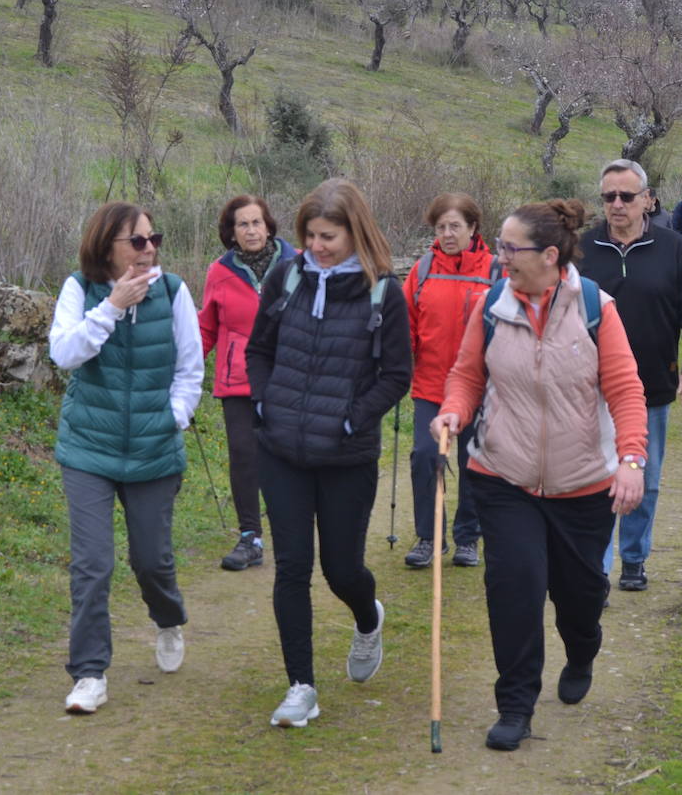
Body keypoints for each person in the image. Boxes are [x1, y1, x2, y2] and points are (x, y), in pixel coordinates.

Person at [430, 199, 648, 751]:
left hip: (583, 485)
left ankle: (582, 649)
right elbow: (466, 375)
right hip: (502, 476)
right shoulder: (490, 307)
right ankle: (516, 705)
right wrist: (453, 409)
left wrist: (630, 460)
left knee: (578, 598)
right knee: (515, 591)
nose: (501, 258)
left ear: (550, 255)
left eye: (511, 248)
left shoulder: (596, 308)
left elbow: (624, 390)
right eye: (500, 247)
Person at [246, 178, 412, 729]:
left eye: (329, 236)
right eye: (311, 235)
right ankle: (301, 687)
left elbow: (396, 377)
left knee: (341, 570)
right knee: (291, 567)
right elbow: (258, 350)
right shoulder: (285, 277)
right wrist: (266, 403)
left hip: (346, 457)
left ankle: (368, 617)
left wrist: (350, 418)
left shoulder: (383, 292)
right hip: (282, 450)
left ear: (355, 232)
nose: (317, 246)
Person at [49, 201, 204, 715]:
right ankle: (89, 674)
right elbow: (64, 353)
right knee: (93, 565)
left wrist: (172, 418)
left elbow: (189, 369)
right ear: (107, 246)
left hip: (153, 450)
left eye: (153, 238)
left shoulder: (174, 291)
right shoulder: (80, 289)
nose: (149, 248)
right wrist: (112, 306)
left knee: (151, 561)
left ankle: (168, 618)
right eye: (136, 241)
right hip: (88, 449)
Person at [577, 159, 682, 595]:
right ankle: (595, 568)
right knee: (594, 480)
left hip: (652, 385)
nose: (616, 204)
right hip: (588, 389)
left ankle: (633, 558)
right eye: (608, 197)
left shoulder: (674, 249)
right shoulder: (582, 250)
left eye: (626, 196)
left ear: (648, 200)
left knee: (644, 480)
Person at [197, 195, 298, 571]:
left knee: (285, 455)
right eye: (243, 224)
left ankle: (291, 530)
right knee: (243, 455)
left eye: (257, 223)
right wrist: (181, 372)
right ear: (231, 233)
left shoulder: (297, 264)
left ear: (269, 226)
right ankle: (250, 537)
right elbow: (206, 328)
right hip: (236, 379)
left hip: (286, 376)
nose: (252, 230)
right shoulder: (218, 272)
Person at [402, 193, 495, 569]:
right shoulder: (423, 270)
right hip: (430, 384)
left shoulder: (495, 270)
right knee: (425, 457)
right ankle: (429, 536)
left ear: (473, 228)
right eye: (441, 227)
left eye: (455, 226)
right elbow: (406, 322)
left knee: (473, 460)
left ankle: (468, 537)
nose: (447, 233)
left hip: (481, 387)